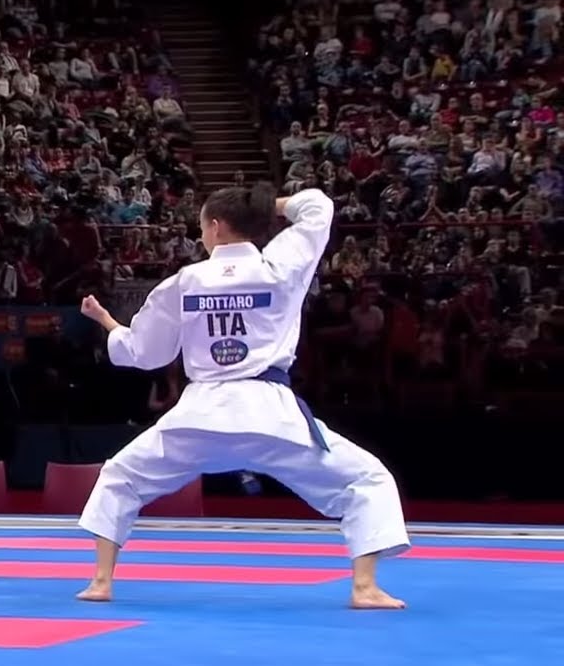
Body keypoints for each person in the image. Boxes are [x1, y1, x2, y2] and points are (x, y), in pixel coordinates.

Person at [74, 185, 410, 609]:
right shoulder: (280, 266)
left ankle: (101, 582)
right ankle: (364, 587)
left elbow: (143, 352)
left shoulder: (185, 281)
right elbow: (318, 207)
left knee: (120, 476)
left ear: (215, 227)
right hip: (271, 418)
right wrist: (267, 207)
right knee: (368, 479)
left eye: (202, 227)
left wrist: (108, 323)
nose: (201, 236)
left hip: (199, 418)